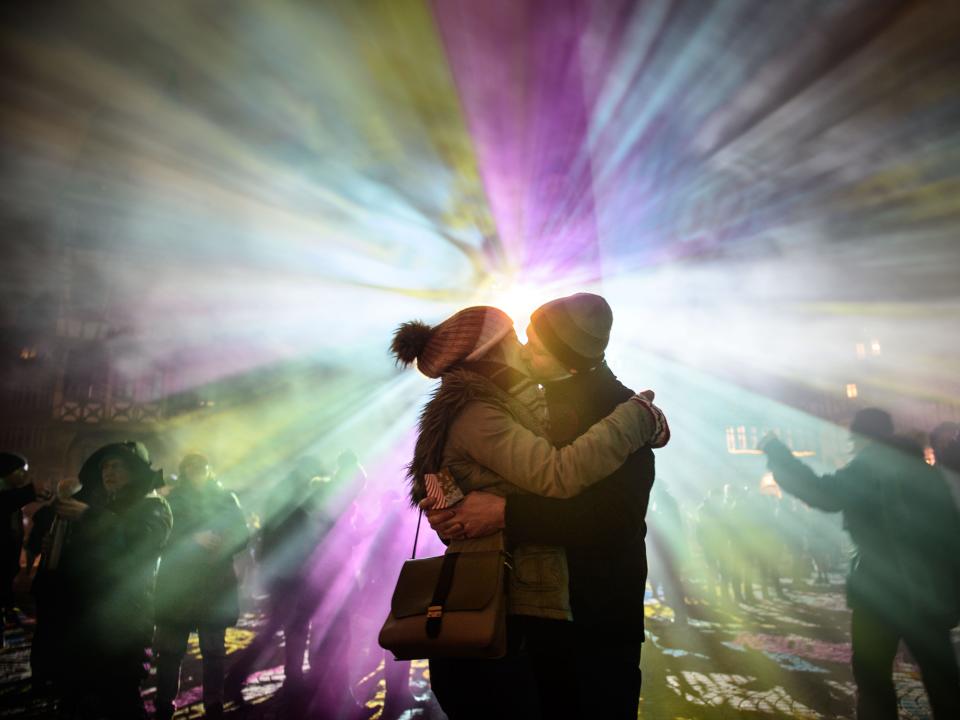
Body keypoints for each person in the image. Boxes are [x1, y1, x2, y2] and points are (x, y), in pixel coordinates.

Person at [391, 303, 668, 720]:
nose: (524, 350)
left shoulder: (604, 405)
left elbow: (617, 521)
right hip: (520, 621)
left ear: (569, 358)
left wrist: (499, 512)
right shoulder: (492, 411)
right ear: (489, 354)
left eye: (534, 345)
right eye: (518, 342)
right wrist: (452, 512)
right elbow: (554, 475)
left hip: (598, 621)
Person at [761, 409, 960, 719]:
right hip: (928, 591)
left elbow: (822, 493)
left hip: (880, 590)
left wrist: (776, 451)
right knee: (944, 682)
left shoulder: (870, 466)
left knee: (873, 679)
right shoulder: (925, 471)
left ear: (861, 436)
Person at [31, 441, 172, 719]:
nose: (109, 471)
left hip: (124, 626)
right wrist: (56, 547)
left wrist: (89, 516)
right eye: (105, 466)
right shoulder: (99, 506)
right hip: (83, 625)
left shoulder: (153, 506)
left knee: (120, 702)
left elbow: (139, 543)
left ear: (136, 471)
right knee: (77, 699)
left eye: (118, 465)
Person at [153, 453, 248, 720]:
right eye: (191, 468)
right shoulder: (172, 500)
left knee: (213, 651)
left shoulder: (225, 499)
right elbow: (161, 536)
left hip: (213, 585)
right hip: (179, 584)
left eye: (201, 467)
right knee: (170, 652)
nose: (197, 472)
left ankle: (213, 703)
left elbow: (242, 534)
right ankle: (164, 705)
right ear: (184, 472)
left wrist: (222, 541)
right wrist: (193, 538)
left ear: (209, 470)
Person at [0, 453, 49, 647]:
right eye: (20, 470)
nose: (24, 475)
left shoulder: (13, 499)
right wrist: (31, 491)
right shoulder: (7, 497)